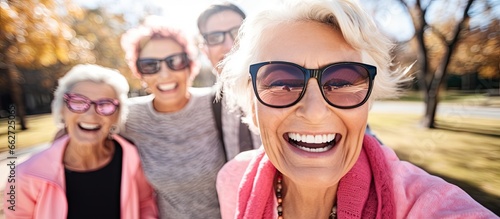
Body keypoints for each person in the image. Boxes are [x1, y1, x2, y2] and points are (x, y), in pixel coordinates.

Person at [216, 0, 497, 218]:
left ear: (368, 102)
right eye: (283, 82)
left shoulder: (425, 205)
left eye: (341, 82)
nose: (314, 112)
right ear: (252, 104)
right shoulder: (233, 181)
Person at [120, 18, 258, 219]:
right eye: (150, 65)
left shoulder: (220, 103)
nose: (165, 74)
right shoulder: (128, 117)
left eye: (175, 61)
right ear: (139, 72)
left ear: (190, 65)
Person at [3, 64, 158, 219]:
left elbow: (145, 205)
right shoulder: (24, 176)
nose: (91, 115)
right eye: (78, 102)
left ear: (117, 116)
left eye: (105, 104)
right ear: (62, 109)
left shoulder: (133, 159)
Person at [197, 2, 261, 155]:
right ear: (205, 50)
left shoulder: (282, 90)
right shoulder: (212, 104)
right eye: (214, 37)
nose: (229, 45)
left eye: (237, 33)